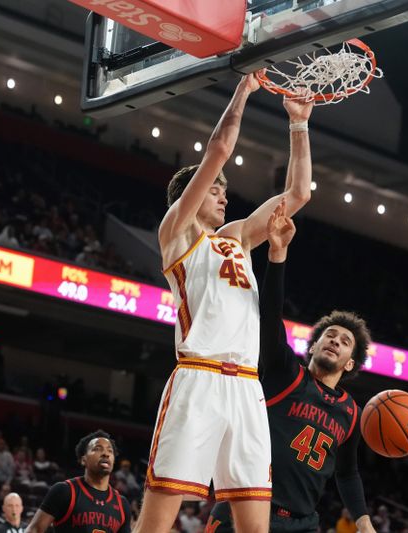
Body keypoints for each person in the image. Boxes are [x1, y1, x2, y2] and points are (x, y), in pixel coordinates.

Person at [135, 71, 314, 533]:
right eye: (215, 189)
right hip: (199, 378)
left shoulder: (236, 237)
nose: (223, 194)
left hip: (246, 388)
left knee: (255, 527)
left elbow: (299, 194)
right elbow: (217, 150)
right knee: (155, 523)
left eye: (224, 190)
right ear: (187, 198)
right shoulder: (175, 235)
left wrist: (299, 125)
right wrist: (244, 89)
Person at [207, 201, 376, 533]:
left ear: (351, 363)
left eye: (344, 341)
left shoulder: (352, 414)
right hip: (246, 506)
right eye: (329, 335)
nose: (335, 341)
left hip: (301, 524)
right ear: (312, 346)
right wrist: (277, 256)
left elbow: (347, 473)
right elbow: (270, 315)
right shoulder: (285, 372)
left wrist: (364, 521)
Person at [25, 430, 131, 533]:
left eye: (110, 451)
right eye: (98, 449)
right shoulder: (64, 491)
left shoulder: (122, 504)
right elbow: (34, 530)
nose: (105, 454)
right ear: (83, 459)